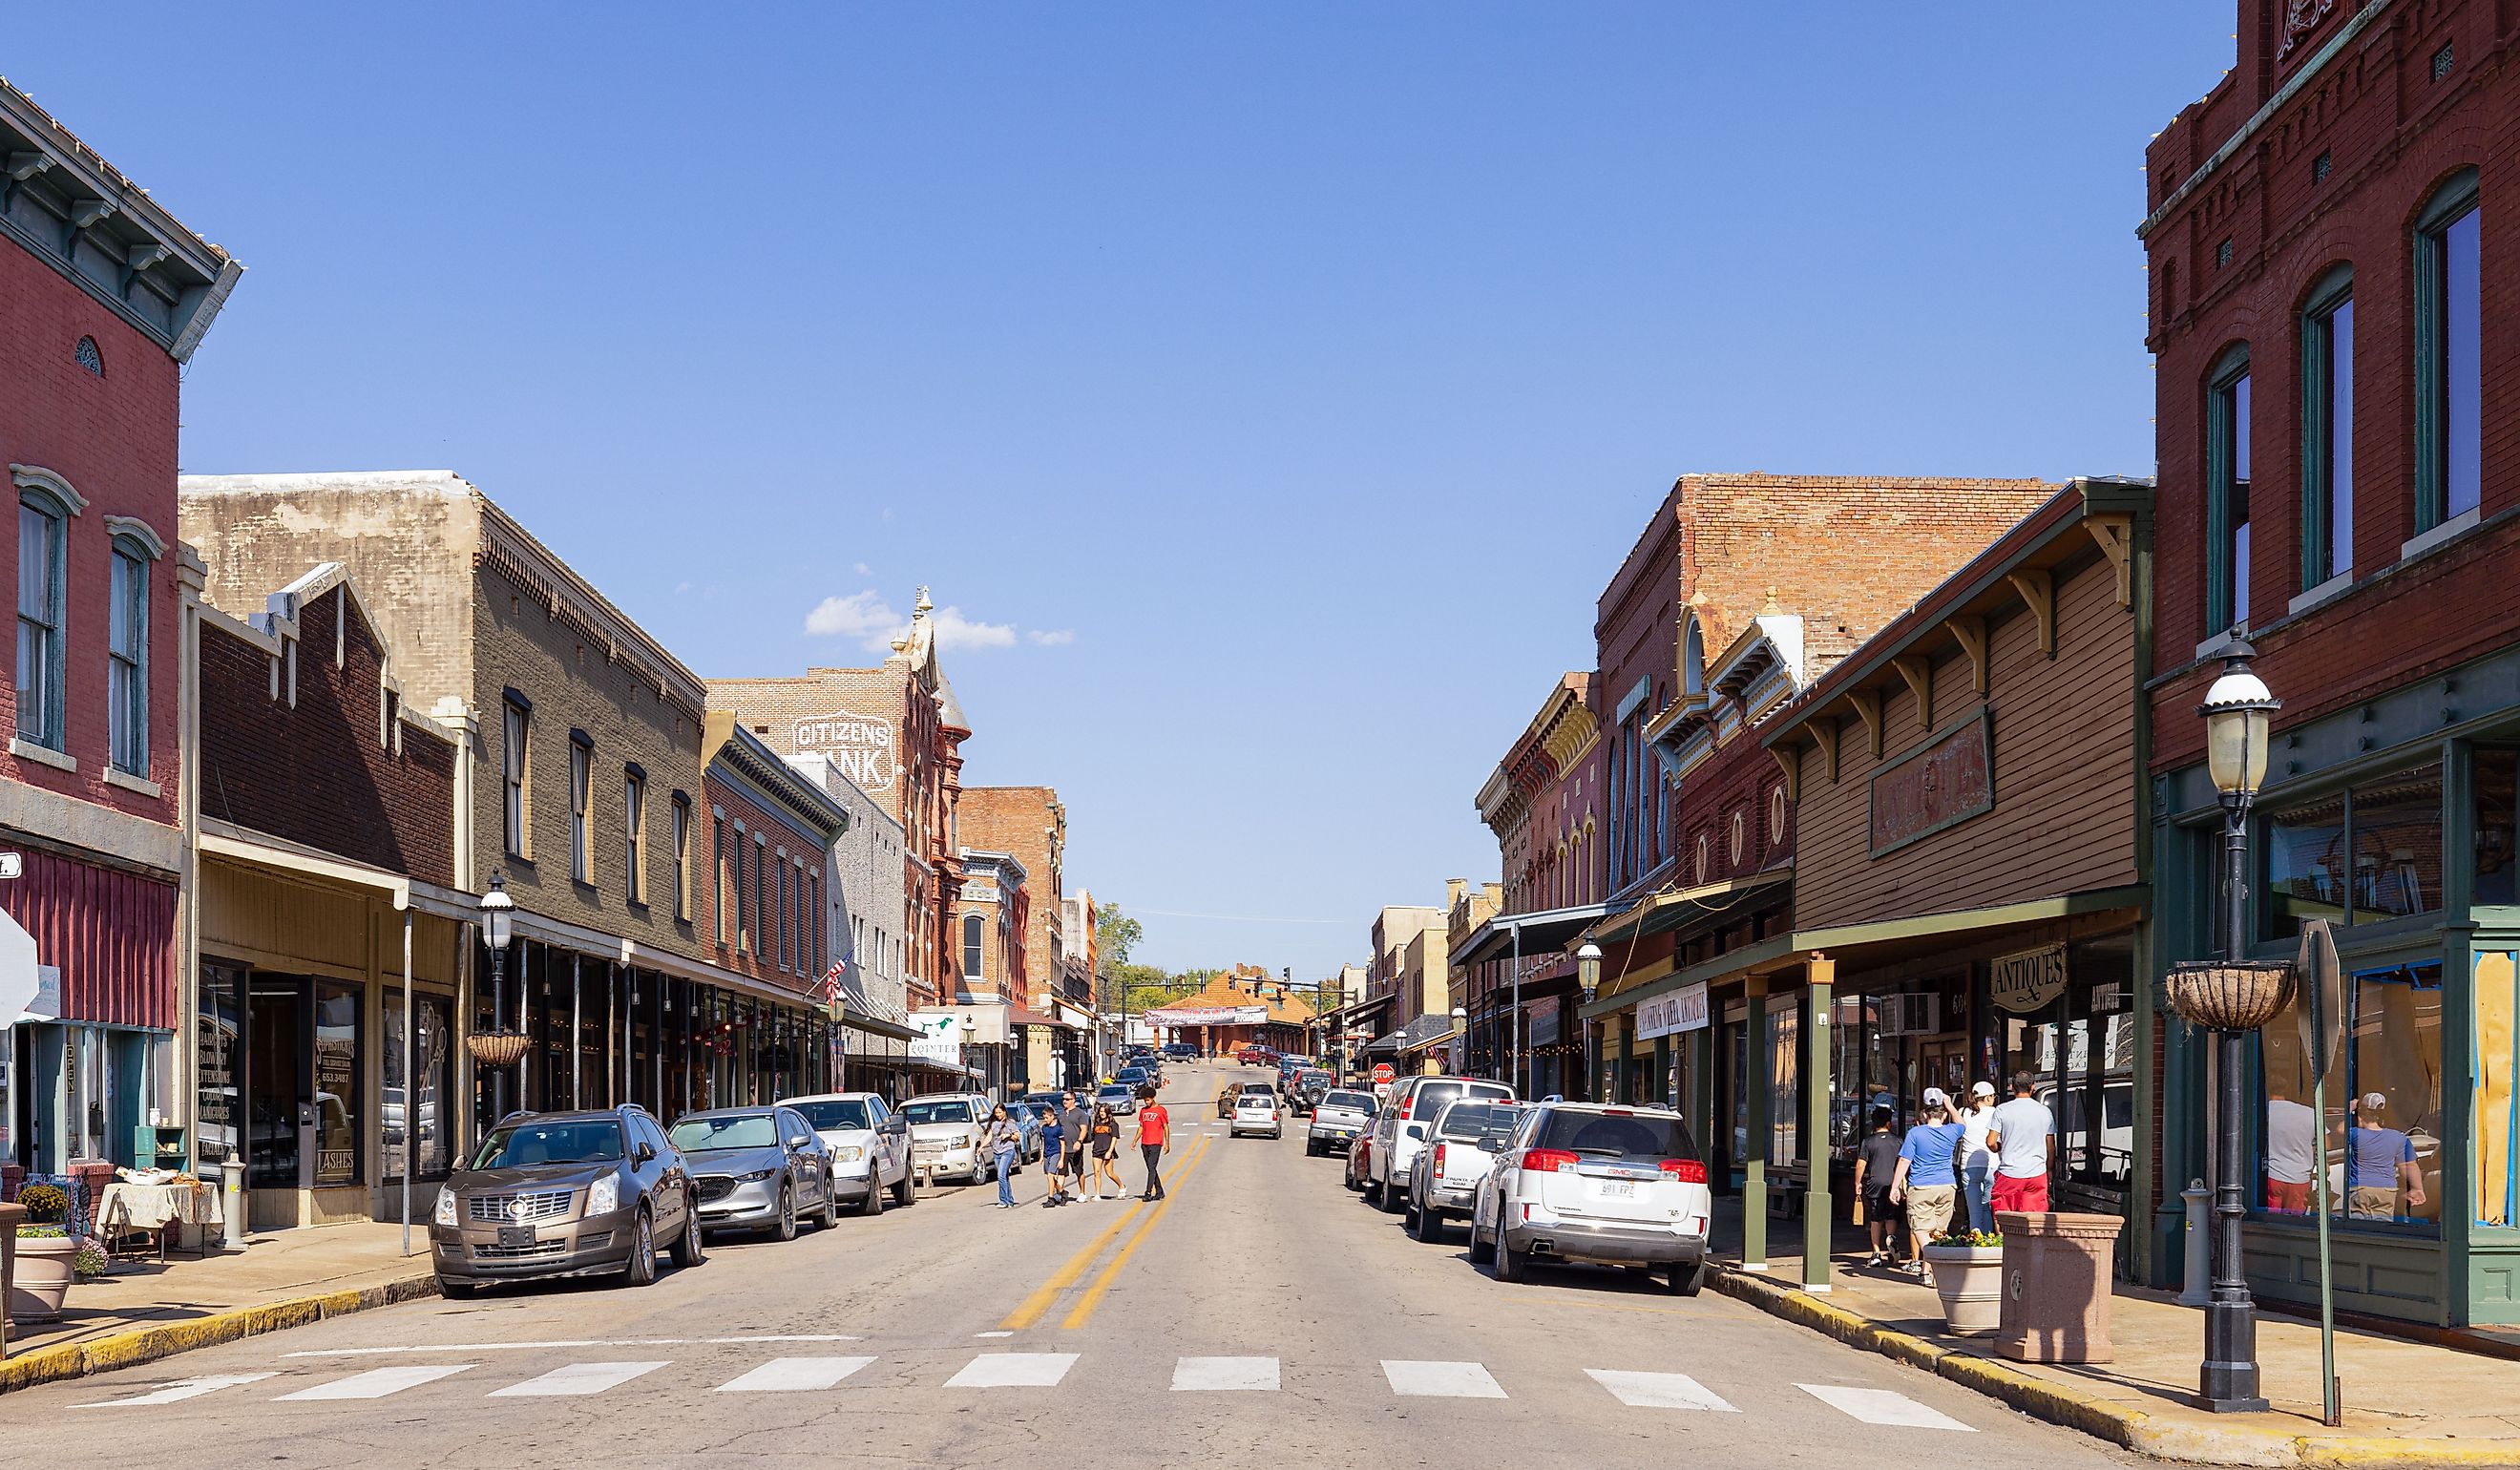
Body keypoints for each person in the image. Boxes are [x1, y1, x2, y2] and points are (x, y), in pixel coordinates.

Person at [1892, 1089, 1965, 1275]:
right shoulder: (1952, 1130)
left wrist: (1895, 1186)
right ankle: (1927, 1272)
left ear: (1925, 1114)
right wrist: (1950, 1104)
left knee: (1920, 1229)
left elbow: (1904, 1161)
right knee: (1939, 1230)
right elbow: (1962, 1123)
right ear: (1945, 1114)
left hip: (1921, 1185)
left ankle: (1936, 1258)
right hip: (1947, 1185)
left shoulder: (1916, 1133)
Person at [2346, 1092, 2426, 1221]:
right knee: (2382, 1227)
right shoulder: (2399, 1138)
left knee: (2358, 1226)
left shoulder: (2356, 1134)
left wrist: (2349, 1109)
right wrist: (2417, 1189)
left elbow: (2340, 1129)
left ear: (2361, 1114)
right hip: (2386, 1189)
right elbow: (2409, 1165)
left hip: (2360, 1187)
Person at [1986, 1071, 2055, 1216]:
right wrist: (2049, 1169)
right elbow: (2050, 1147)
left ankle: (2003, 1240)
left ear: (2012, 1087)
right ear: (2033, 1087)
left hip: (2009, 1172)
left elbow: (1991, 1142)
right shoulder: (2045, 1112)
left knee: (2003, 1215)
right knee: (2033, 1219)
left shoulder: (2002, 1110)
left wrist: (2000, 1148)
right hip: (2036, 1173)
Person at [1852, 1105, 1902, 1268]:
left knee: (1876, 1218)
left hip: (1875, 1184)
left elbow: (1861, 1164)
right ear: (1889, 1123)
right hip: (1893, 1184)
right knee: (1891, 1216)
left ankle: (1876, 1252)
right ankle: (1891, 1239)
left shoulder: (1868, 1142)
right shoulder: (1898, 1141)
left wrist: (1857, 1182)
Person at [2263, 1084, 2318, 1215]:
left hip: (2274, 1175)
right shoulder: (2309, 1113)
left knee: (2271, 1221)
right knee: (2294, 1223)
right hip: (2299, 1177)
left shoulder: (2265, 1111)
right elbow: (2326, 1144)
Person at [1960, 1080, 1999, 1233]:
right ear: (1988, 1097)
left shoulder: (1963, 1112)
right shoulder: (1996, 1112)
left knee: (1974, 1213)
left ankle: (1975, 1247)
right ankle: (1989, 1242)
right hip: (1992, 1164)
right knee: (1988, 1209)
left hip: (1969, 1166)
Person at [1136, 1085, 1171, 1201]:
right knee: (1151, 1168)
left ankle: (1148, 1192)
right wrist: (1135, 1141)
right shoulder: (1143, 1111)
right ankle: (1160, 1191)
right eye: (1145, 1100)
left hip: (1156, 1143)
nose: (1146, 1102)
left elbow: (1166, 1127)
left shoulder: (1161, 1110)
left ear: (1153, 1098)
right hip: (1145, 1143)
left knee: (1151, 1167)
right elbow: (1141, 1126)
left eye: (1148, 1100)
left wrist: (1167, 1143)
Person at [985, 1104, 1022, 1208]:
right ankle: (1010, 1200)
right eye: (996, 1113)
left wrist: (1008, 1136)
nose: (998, 1115)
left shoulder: (1010, 1122)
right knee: (1004, 1177)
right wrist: (981, 1147)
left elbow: (1017, 1136)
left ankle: (1003, 1200)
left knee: (1000, 1176)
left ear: (1004, 1112)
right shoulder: (994, 1123)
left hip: (1008, 1152)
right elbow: (989, 1136)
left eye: (1000, 1112)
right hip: (997, 1153)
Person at [1059, 1090, 1092, 1200]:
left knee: (1079, 1172)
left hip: (1075, 1148)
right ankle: (1060, 1194)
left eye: (1067, 1099)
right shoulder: (1061, 1114)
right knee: (1061, 1172)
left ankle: (1082, 1193)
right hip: (1064, 1149)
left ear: (1073, 1100)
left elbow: (1084, 1129)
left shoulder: (1080, 1114)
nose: (1065, 1101)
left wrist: (1079, 1141)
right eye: (1063, 1099)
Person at [1037, 1102, 1069, 1208]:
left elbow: (1062, 1144)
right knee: (1050, 1177)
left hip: (1056, 1153)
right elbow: (1043, 1142)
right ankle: (1063, 1192)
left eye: (1046, 1117)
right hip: (1047, 1154)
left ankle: (1051, 1198)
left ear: (1052, 1116)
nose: (1045, 1119)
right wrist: (1042, 1156)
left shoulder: (1058, 1129)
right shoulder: (1044, 1128)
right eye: (1044, 1118)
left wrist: (1061, 1159)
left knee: (1051, 1175)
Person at [1089, 1103, 1124, 1199]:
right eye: (1100, 1111)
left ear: (1108, 1112)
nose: (1102, 1113)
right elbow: (1093, 1136)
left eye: (1104, 1111)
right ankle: (1097, 1194)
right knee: (1097, 1172)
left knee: (1109, 1173)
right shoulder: (1097, 1123)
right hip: (1097, 1151)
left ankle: (1121, 1186)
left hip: (1107, 1150)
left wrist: (1109, 1151)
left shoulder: (1113, 1124)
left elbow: (1114, 1138)